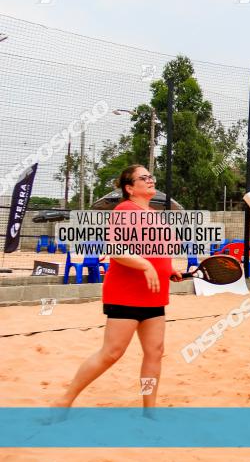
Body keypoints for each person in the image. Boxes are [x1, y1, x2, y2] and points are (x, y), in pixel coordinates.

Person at [54, 164, 181, 409]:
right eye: (143, 177)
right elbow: (115, 249)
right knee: (111, 353)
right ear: (130, 188)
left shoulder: (152, 214)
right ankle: (64, 400)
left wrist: (168, 269)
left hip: (154, 295)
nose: (150, 179)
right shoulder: (125, 209)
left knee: (155, 352)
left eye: (150, 176)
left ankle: (150, 409)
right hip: (126, 294)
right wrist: (145, 265)